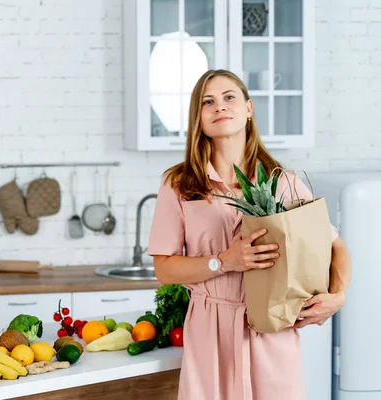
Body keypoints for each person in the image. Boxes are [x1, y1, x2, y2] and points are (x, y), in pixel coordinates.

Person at [147, 69, 352, 400]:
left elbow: (336, 247)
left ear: (248, 109)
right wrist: (223, 262)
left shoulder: (282, 182)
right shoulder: (180, 185)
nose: (220, 107)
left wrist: (338, 296)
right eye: (207, 102)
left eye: (229, 97)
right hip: (209, 333)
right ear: (198, 118)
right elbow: (164, 268)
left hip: (272, 330)